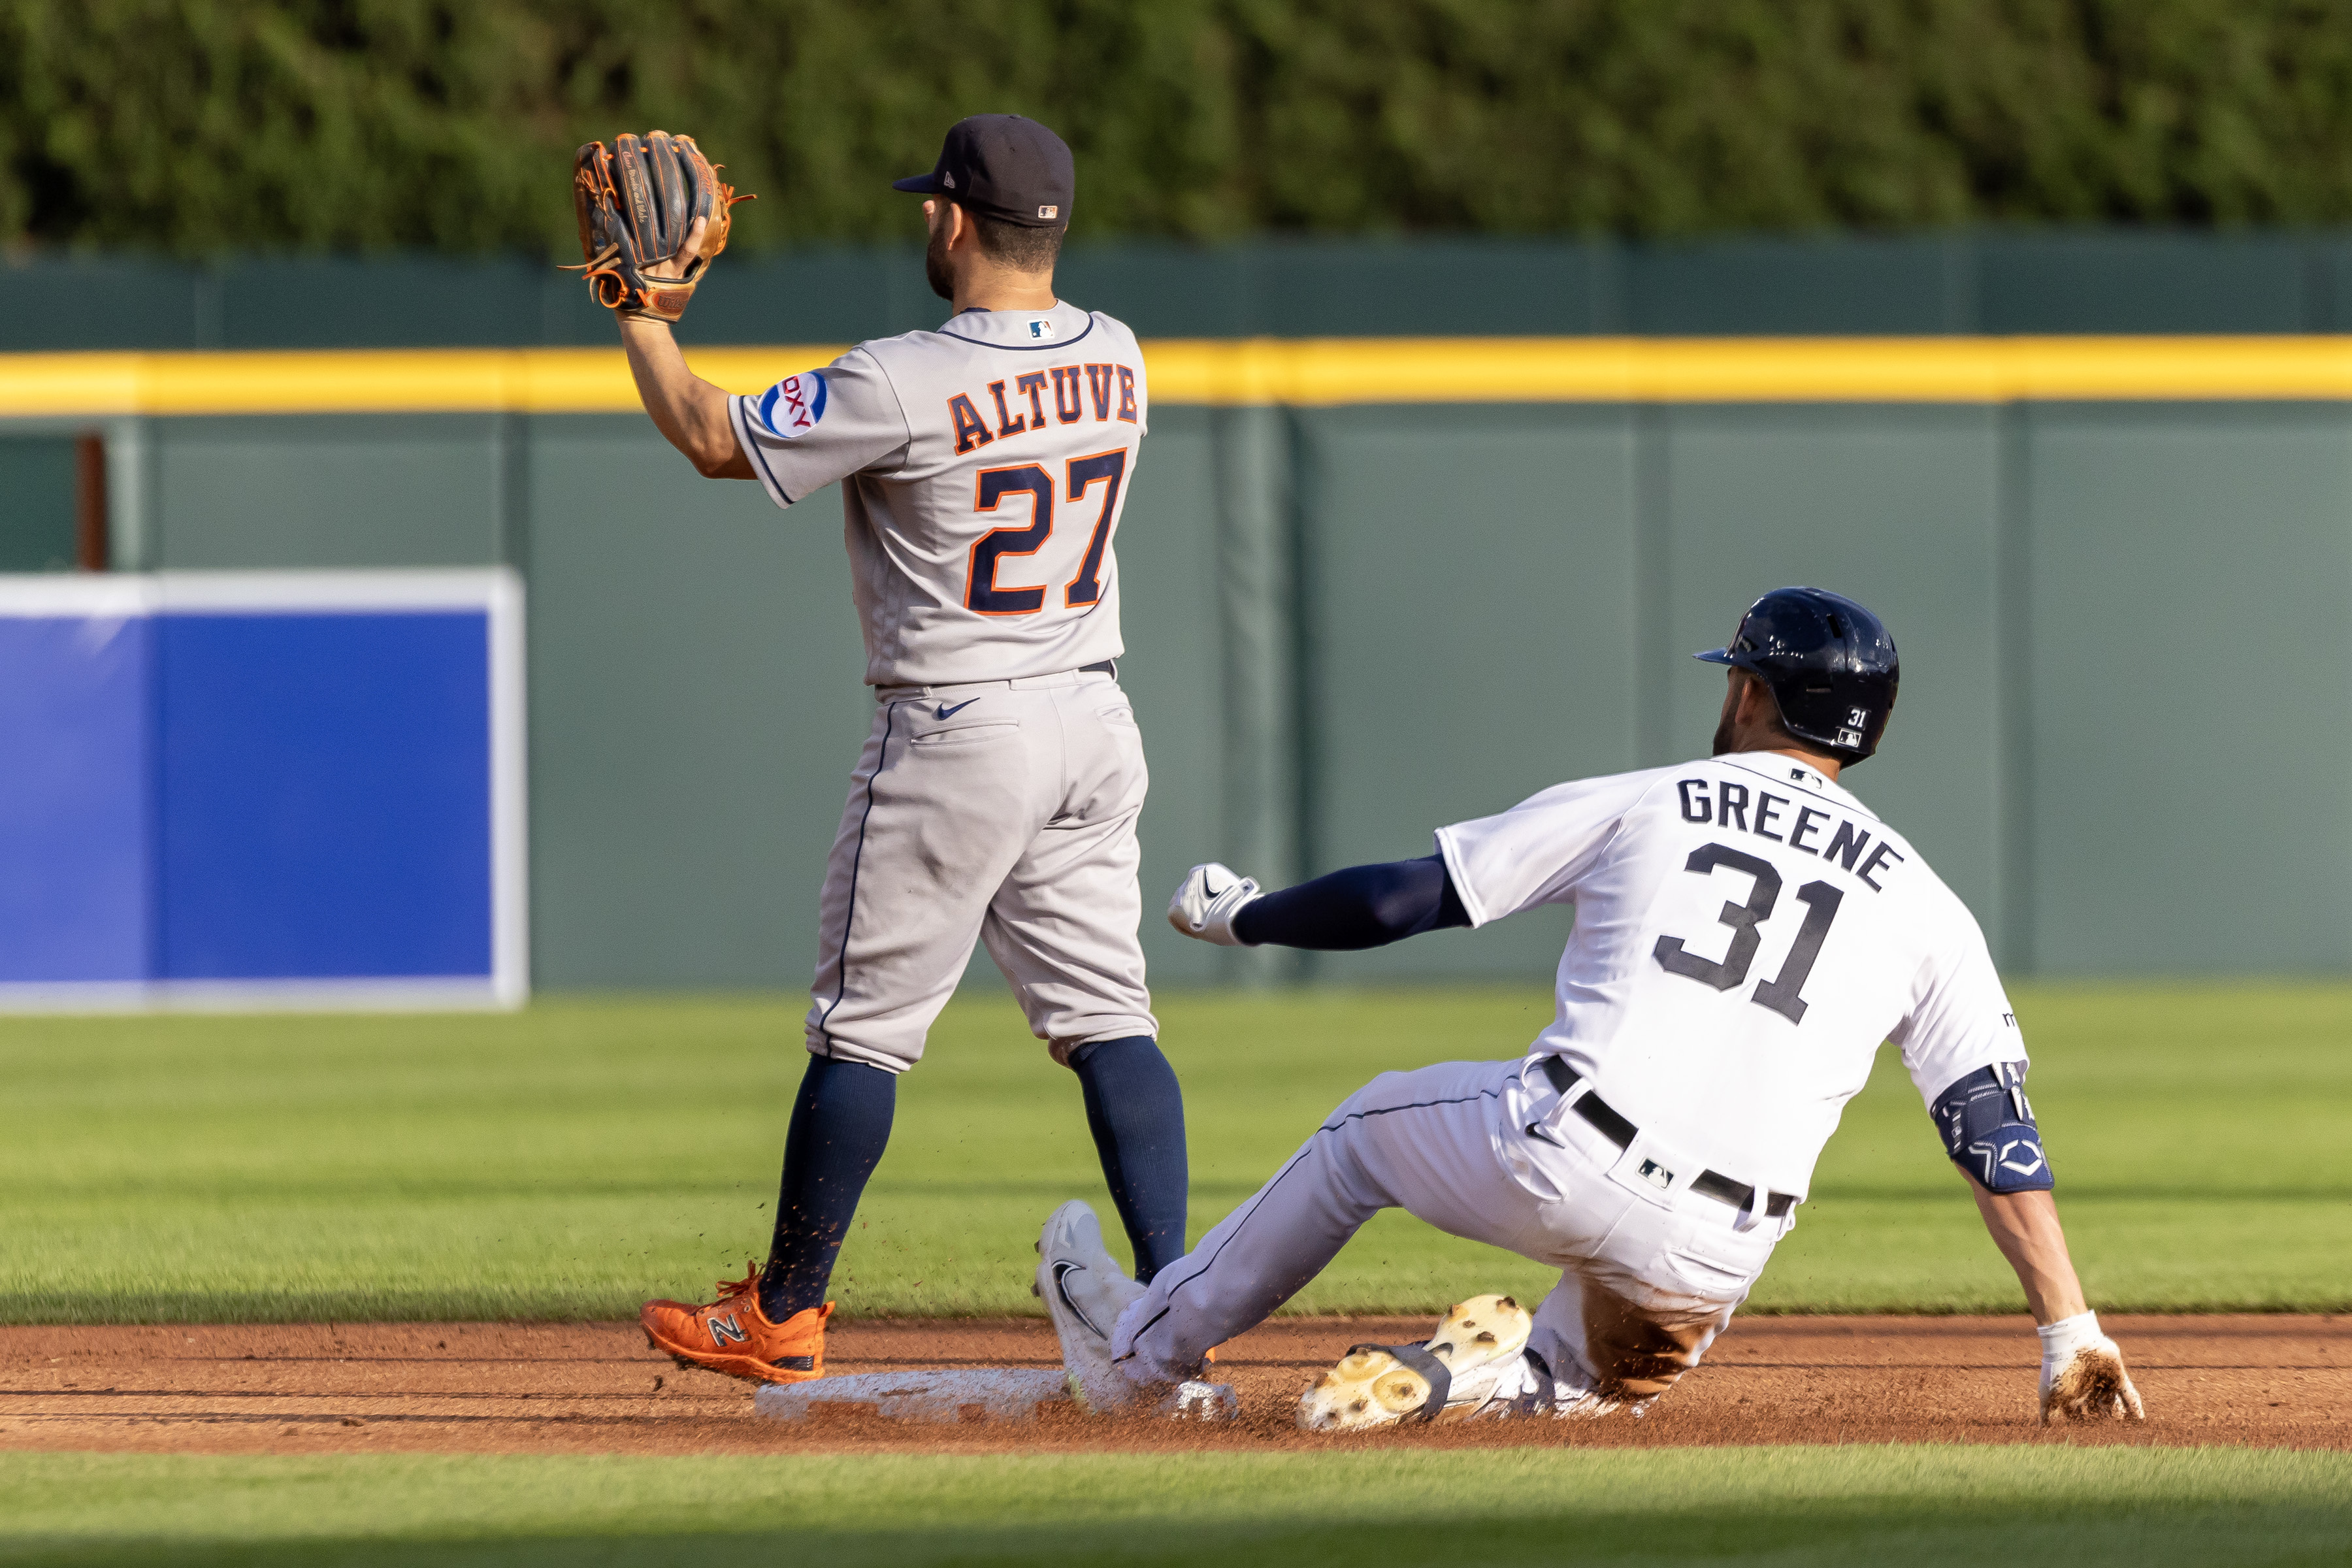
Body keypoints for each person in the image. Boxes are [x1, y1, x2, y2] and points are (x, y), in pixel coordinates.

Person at [1036, 587, 2146, 1429]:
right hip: (1718, 1252)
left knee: (1358, 1136)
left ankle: (1141, 1359)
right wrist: (2069, 1328)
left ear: (1753, 694)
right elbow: (1992, 1134)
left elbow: (1402, 899)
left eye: (1737, 678)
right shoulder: (1930, 906)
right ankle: (1456, 1378)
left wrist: (1249, 917)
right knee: (1577, 1389)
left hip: (1555, 1153)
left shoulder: (1651, 800)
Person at [613, 114, 1189, 1383]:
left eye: (934, 202)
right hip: (1092, 717)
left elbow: (717, 438)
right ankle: (1177, 1307)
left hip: (958, 725)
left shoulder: (900, 376)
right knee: (1110, 1021)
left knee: (863, 1031)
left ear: (954, 220)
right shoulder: (1123, 355)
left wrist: (639, 314)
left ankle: (788, 1312)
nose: (924, 216)